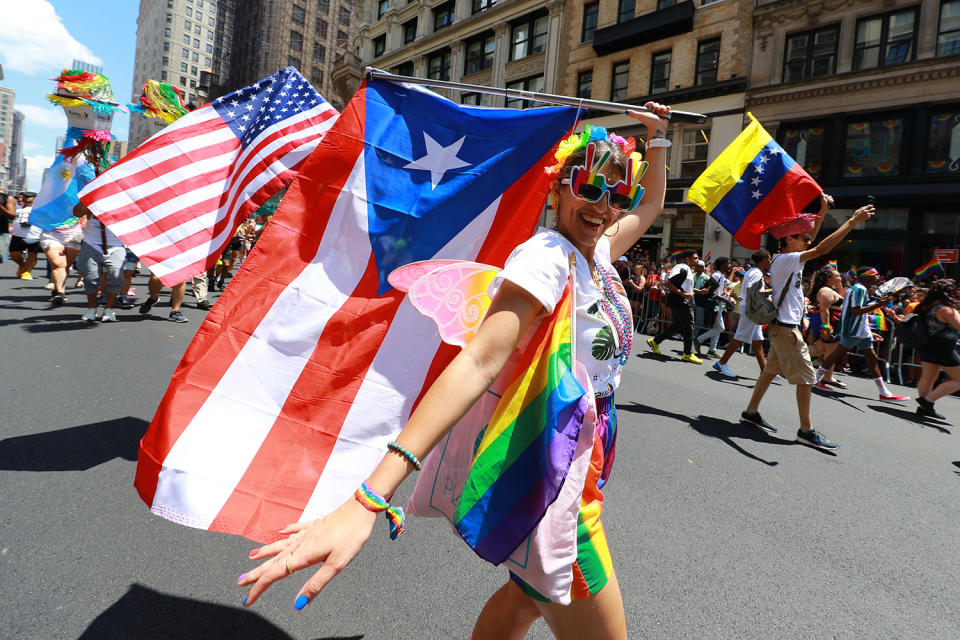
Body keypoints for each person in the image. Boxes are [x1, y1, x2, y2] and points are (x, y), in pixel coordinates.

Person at [237, 103, 673, 639]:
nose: (604, 207)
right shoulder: (548, 257)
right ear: (560, 186)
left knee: (525, 600)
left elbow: (652, 202)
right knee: (566, 590)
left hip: (587, 448)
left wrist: (658, 138)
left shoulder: (597, 253)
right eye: (590, 188)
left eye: (616, 196)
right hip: (553, 464)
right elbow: (479, 361)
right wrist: (371, 496)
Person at [740, 194, 870, 451]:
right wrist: (852, 221)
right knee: (808, 378)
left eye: (806, 238)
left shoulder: (788, 259)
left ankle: (751, 411)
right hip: (786, 330)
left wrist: (822, 209)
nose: (807, 241)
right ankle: (806, 430)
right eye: (802, 238)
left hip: (782, 327)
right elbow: (821, 249)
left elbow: (813, 241)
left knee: (769, 371)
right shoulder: (789, 260)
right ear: (788, 239)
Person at [814, 267, 908, 401]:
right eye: (874, 276)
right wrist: (878, 305)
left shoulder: (858, 289)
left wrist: (869, 331)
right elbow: (855, 311)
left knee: (871, 358)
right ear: (864, 277)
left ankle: (884, 392)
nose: (877, 278)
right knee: (836, 354)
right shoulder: (859, 289)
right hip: (853, 330)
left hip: (860, 330)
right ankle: (816, 378)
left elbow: (859, 312)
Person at [714, 250, 771, 378]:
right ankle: (722, 363)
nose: (770, 261)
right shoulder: (756, 273)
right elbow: (752, 290)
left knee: (757, 340)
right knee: (740, 337)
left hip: (750, 307)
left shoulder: (753, 272)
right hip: (752, 308)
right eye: (769, 258)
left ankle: (765, 369)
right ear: (763, 260)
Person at [912, 279, 960, 419]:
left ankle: (924, 408)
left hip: (926, 346)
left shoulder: (925, 307)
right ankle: (927, 401)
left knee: (929, 377)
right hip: (943, 348)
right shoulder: (945, 309)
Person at [647, 248, 702, 364]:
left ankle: (655, 341)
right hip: (681, 302)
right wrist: (683, 294)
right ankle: (687, 354)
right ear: (688, 259)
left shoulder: (683, 268)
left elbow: (681, 285)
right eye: (695, 258)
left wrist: (698, 291)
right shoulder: (683, 269)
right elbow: (669, 283)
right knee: (689, 326)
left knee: (677, 326)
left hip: (678, 301)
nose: (698, 260)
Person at [806, 266, 846, 388]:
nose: (840, 278)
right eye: (837, 276)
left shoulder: (831, 289)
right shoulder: (825, 291)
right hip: (826, 322)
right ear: (829, 278)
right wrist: (826, 328)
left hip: (831, 321)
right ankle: (827, 377)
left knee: (820, 349)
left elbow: (842, 299)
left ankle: (790, 355)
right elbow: (824, 310)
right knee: (831, 350)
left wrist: (839, 285)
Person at [696, 256, 731, 357]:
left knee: (717, 327)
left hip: (718, 304)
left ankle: (712, 349)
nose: (729, 265)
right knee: (720, 327)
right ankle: (699, 339)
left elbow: (717, 290)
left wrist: (725, 294)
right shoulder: (716, 275)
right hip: (714, 304)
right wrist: (720, 297)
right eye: (727, 263)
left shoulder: (721, 275)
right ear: (722, 265)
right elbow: (708, 291)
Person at [9, 192, 41, 279]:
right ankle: (22, 266)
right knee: (14, 254)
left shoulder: (40, 208)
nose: (24, 198)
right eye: (24, 196)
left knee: (32, 255)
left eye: (28, 196)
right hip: (17, 235)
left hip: (34, 235)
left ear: (34, 198)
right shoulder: (16, 208)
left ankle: (27, 271)